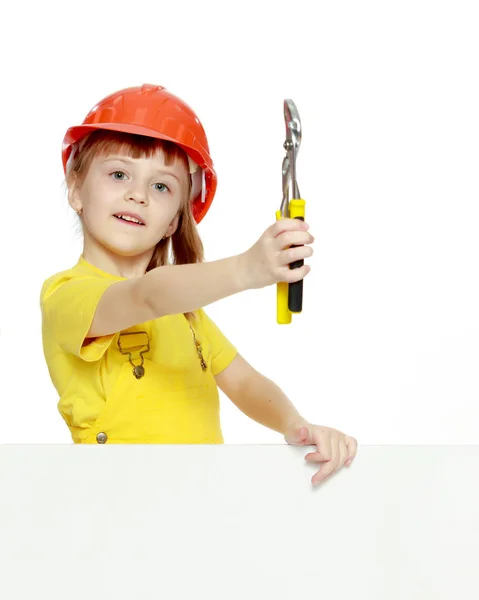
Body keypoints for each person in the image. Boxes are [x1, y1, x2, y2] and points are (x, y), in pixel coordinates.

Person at [40, 83, 357, 485]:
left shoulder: (188, 317)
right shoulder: (65, 294)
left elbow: (243, 382)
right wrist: (246, 269)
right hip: (116, 504)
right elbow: (147, 295)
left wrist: (296, 424)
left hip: (200, 506)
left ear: (174, 219)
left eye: (161, 186)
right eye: (119, 174)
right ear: (75, 189)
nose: (138, 195)